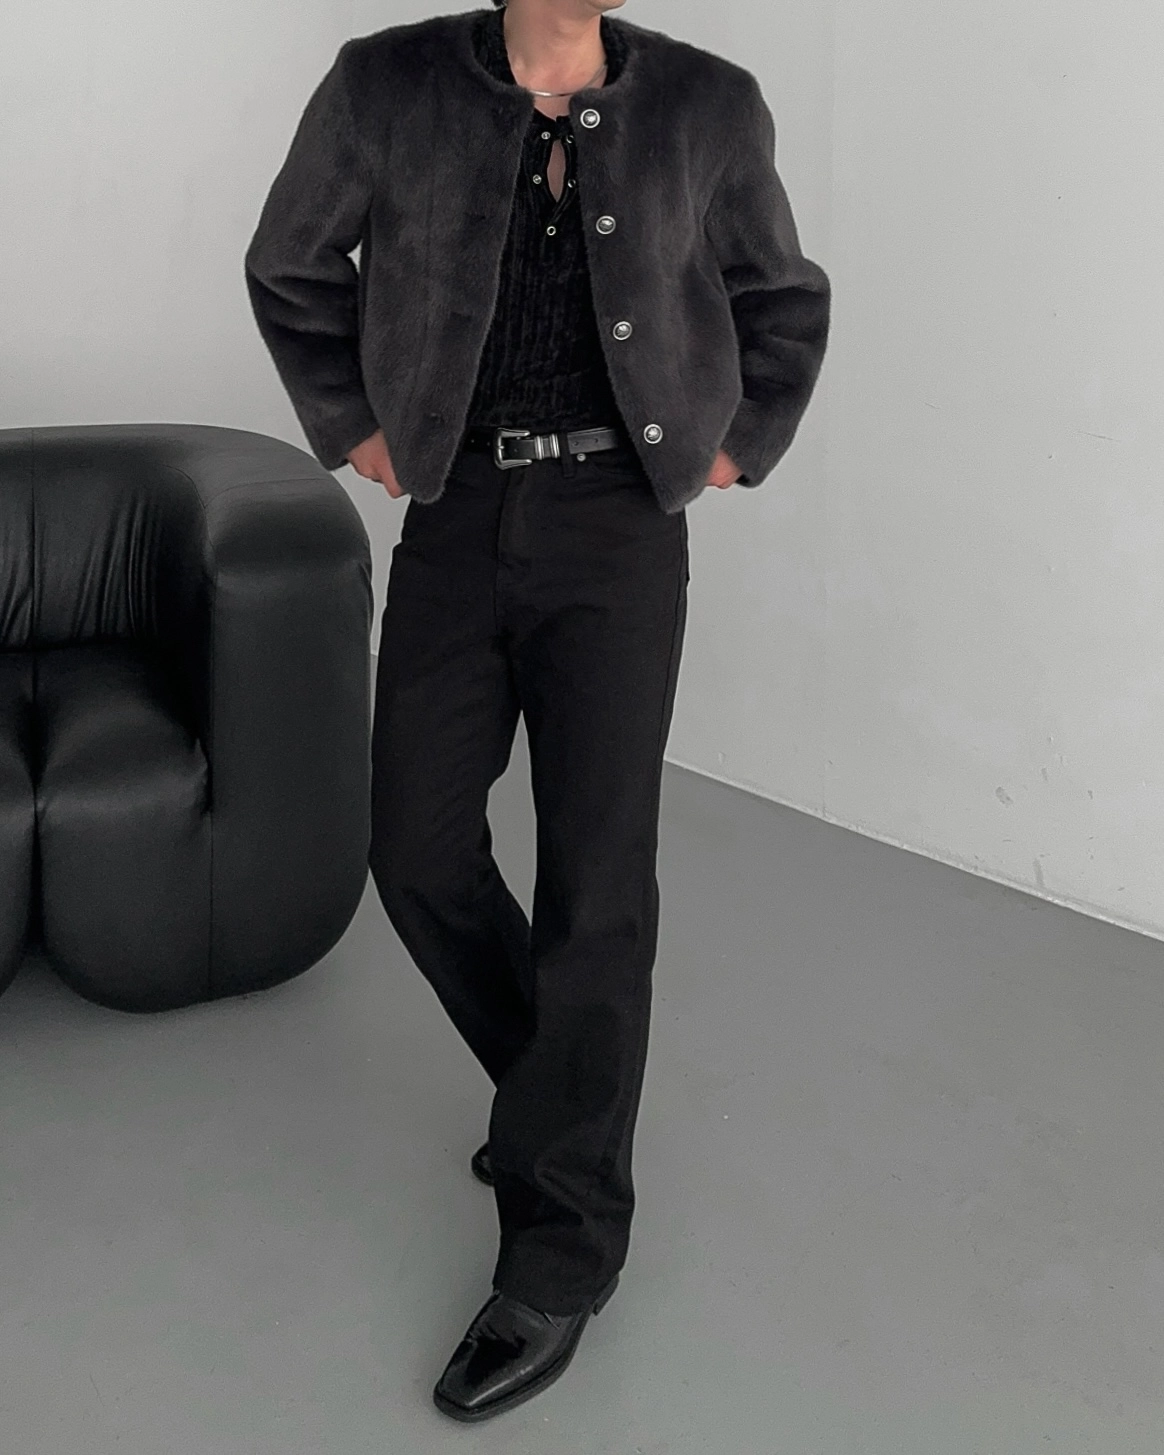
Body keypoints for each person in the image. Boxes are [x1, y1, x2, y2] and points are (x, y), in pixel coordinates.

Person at [244, 0, 830, 1423]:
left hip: (619, 533)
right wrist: (354, 425)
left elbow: (782, 296)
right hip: (457, 512)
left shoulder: (710, 102)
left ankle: (562, 1252)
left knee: (597, 879)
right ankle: (562, 1110)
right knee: (416, 848)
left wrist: (735, 445)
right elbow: (290, 263)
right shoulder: (383, 84)